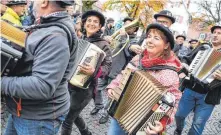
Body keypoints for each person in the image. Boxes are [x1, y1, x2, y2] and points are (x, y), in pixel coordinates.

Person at [1, 1, 77, 135]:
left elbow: (42, 86)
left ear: (44, 2)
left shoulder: (55, 36)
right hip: (23, 109)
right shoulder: (45, 25)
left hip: (39, 119)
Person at [107, 23, 182, 135]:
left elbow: (173, 101)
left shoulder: (170, 72)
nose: (150, 41)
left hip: (142, 122)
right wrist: (113, 86)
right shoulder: (139, 58)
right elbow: (124, 74)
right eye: (149, 36)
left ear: (166, 45)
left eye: (156, 38)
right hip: (121, 110)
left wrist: (161, 124)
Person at [61, 10, 112, 135]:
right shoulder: (79, 39)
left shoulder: (104, 44)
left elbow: (108, 66)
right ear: (84, 24)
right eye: (89, 20)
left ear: (100, 26)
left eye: (96, 22)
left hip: (85, 89)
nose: (92, 23)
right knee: (74, 114)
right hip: (70, 83)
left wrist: (95, 71)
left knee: (67, 120)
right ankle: (86, 133)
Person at [174, 24, 221, 135]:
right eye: (214, 32)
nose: (215, 35)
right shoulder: (203, 47)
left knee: (197, 125)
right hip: (190, 89)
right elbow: (186, 58)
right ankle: (178, 129)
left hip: (209, 96)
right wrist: (184, 64)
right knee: (178, 115)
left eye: (219, 33)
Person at [91, 17, 140, 124]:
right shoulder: (118, 36)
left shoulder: (134, 41)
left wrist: (123, 38)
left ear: (135, 29)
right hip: (106, 68)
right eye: (125, 24)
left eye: (130, 26)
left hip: (117, 73)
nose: (126, 27)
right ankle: (98, 106)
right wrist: (106, 39)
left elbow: (129, 51)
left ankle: (105, 113)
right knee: (96, 88)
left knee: (111, 95)